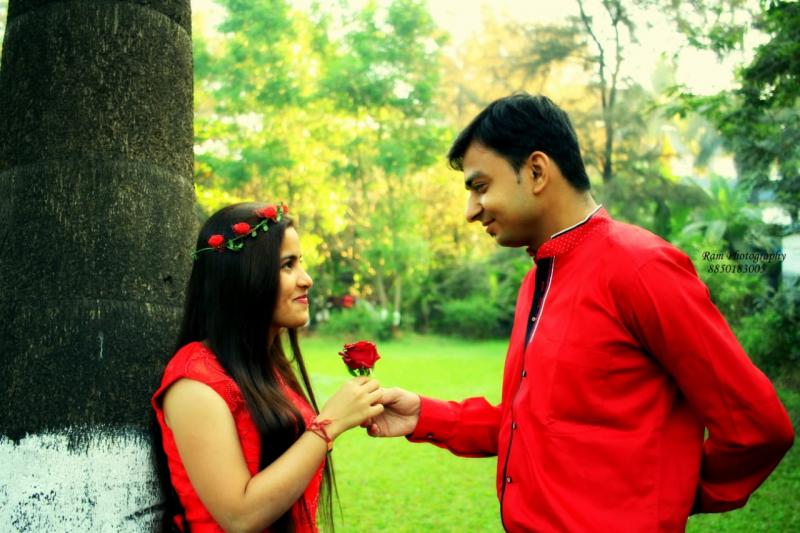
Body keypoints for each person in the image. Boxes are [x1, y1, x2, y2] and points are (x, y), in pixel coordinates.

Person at [366, 94, 795, 532]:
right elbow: (533, 422)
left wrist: (666, 495)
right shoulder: (537, 281)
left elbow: (757, 426)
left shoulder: (641, 267)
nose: (470, 211)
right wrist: (424, 415)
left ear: (537, 171)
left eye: (480, 187)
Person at [151, 202, 383, 532]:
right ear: (242, 279)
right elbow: (239, 517)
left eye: (300, 262)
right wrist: (329, 424)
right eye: (287, 265)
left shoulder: (266, 365)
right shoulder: (195, 383)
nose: (307, 280)